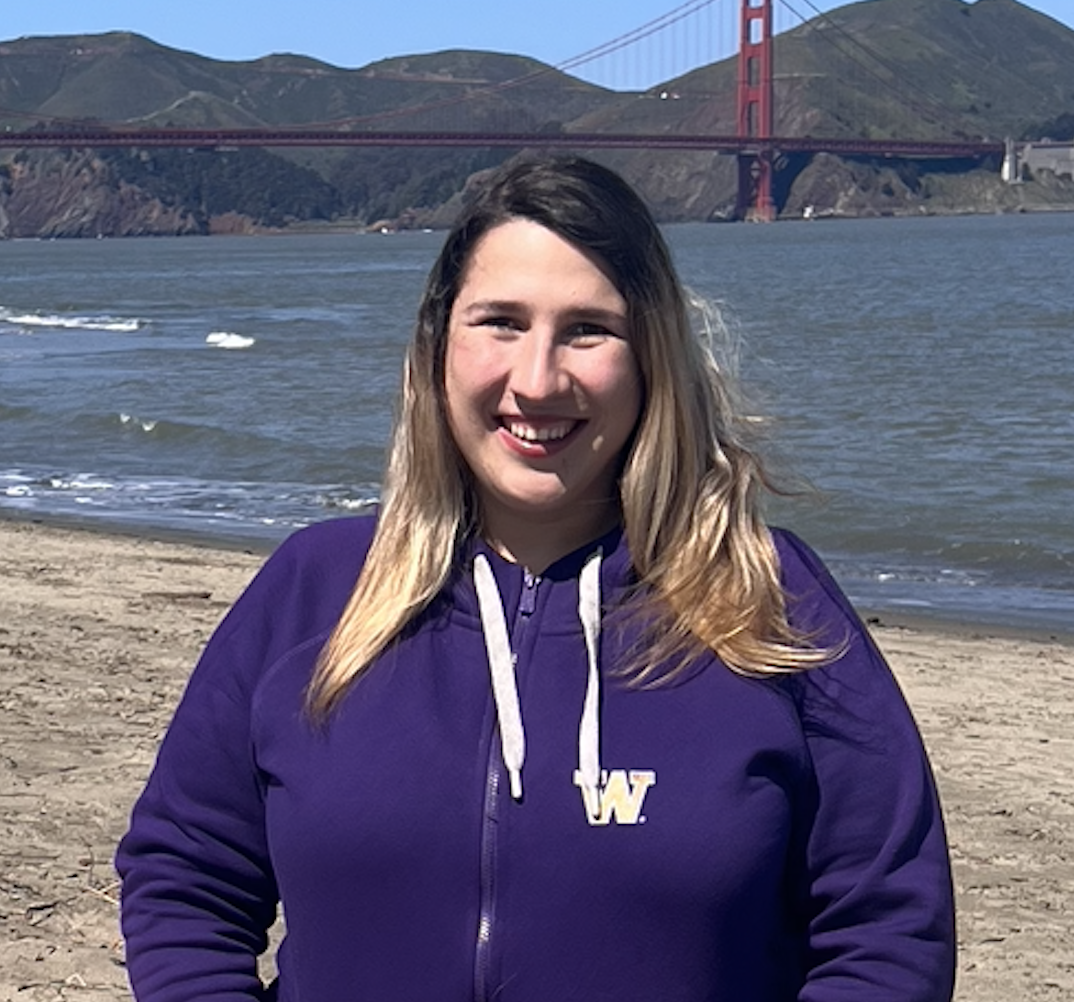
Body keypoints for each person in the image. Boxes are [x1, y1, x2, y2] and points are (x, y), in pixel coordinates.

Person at [117, 156, 956, 1001]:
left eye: (589, 328)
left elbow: (888, 929)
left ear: (652, 358)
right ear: (439, 346)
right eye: (501, 322)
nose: (537, 379)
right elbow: (185, 880)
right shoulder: (315, 589)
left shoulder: (767, 600)